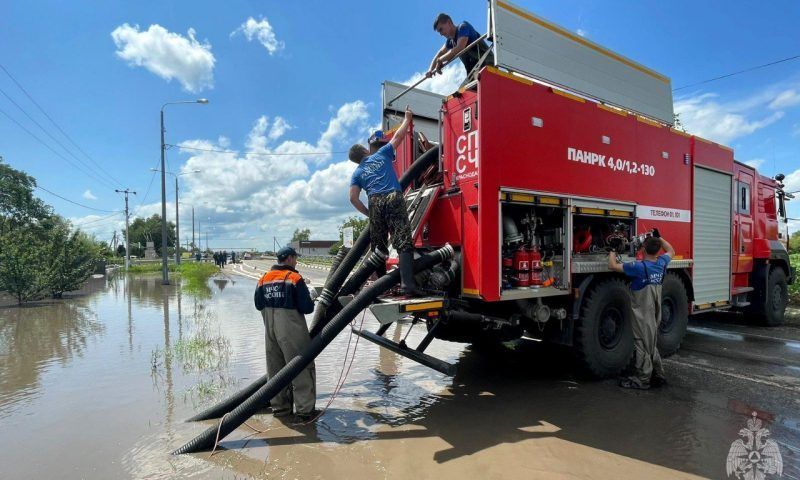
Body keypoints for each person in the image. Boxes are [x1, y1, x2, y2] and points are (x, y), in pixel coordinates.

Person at [348, 106, 423, 296]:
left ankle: (381, 288)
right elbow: (398, 137)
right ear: (366, 150)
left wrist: (368, 213)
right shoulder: (381, 154)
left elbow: (353, 198)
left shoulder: (357, 173)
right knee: (403, 241)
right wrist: (407, 119)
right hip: (392, 197)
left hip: (375, 202)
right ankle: (408, 286)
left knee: (379, 247)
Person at [254, 246, 318, 421]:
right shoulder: (294, 278)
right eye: (295, 258)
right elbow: (307, 308)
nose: (296, 261)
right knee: (300, 367)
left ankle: (280, 409)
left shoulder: (263, 280)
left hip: (270, 330)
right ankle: (305, 412)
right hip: (291, 330)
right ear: (289, 259)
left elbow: (258, 305)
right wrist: (310, 296)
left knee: (275, 370)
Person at [608, 234, 674, 390]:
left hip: (642, 311)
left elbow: (612, 265)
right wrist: (660, 237)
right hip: (655, 310)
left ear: (643, 249)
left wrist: (612, 249)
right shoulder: (662, 263)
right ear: (658, 251)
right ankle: (658, 374)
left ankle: (642, 379)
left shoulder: (637, 267)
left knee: (641, 342)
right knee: (650, 341)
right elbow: (671, 250)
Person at [427, 13, 493, 80]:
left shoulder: (463, 27)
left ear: (449, 22)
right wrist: (430, 70)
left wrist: (440, 60)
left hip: (488, 66)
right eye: (439, 32)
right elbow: (440, 53)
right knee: (463, 89)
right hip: (474, 73)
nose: (441, 34)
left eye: (441, 29)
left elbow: (460, 47)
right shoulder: (450, 41)